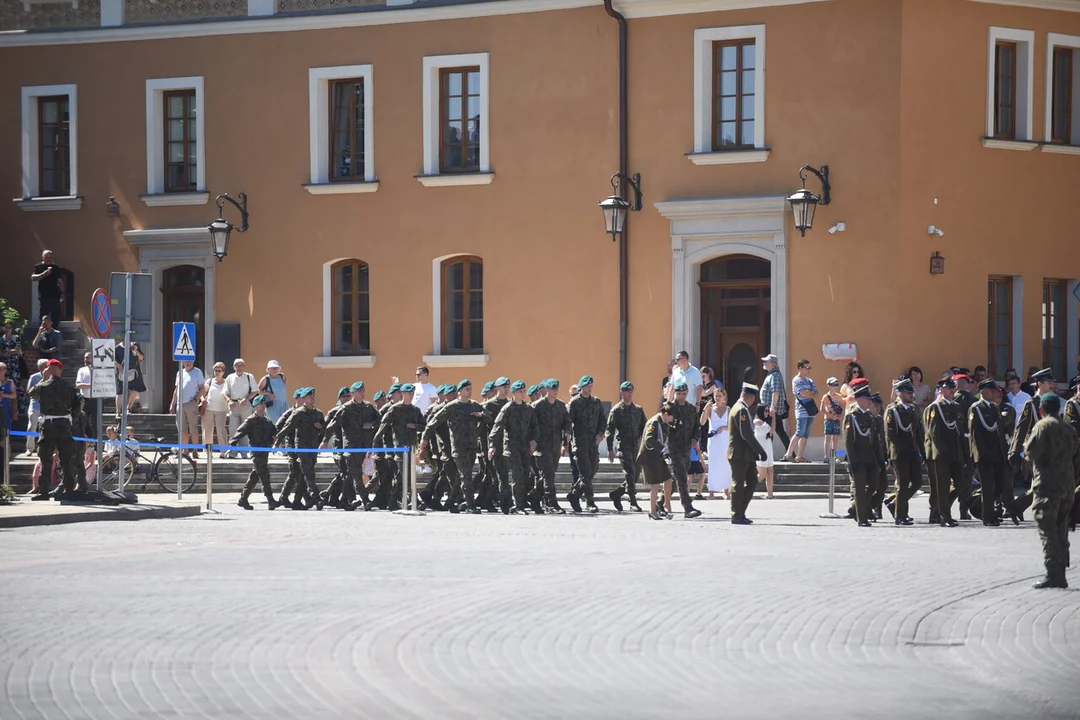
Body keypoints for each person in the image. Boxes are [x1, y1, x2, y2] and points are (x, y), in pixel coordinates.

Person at [1023, 392, 1078, 589]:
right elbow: (1075, 453)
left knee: (1047, 528)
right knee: (1061, 528)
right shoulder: (1068, 427)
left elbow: (1030, 453)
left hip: (1047, 485)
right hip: (1067, 485)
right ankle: (1061, 571)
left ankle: (1053, 573)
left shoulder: (1043, 426)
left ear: (1042, 409)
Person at [420, 379, 486, 514]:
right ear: (460, 392)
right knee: (465, 475)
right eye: (467, 389)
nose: (470, 391)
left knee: (458, 477)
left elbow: (490, 417)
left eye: (471, 388)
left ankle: (451, 502)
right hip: (458, 448)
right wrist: (424, 440)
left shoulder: (475, 405)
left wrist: (481, 415)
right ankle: (470, 504)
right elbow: (433, 422)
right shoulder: (452, 407)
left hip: (472, 446)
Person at [27, 358, 78, 500]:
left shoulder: (42, 386)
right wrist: (71, 418)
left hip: (48, 424)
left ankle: (43, 492)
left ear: (47, 370)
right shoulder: (68, 387)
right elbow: (77, 405)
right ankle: (69, 491)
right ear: (61, 370)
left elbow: (31, 393)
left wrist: (43, 378)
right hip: (64, 424)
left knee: (46, 459)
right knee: (66, 459)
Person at [488, 380, 537, 514]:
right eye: (520, 391)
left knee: (526, 475)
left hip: (525, 448)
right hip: (511, 447)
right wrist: (492, 445)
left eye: (524, 391)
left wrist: (534, 440)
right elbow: (497, 427)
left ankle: (511, 501)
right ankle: (518, 506)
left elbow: (534, 427)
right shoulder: (507, 408)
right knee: (517, 476)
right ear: (514, 393)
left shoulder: (529, 409)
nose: (523, 393)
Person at [275, 387, 325, 510]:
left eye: (313, 396)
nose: (312, 399)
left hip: (313, 448)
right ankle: (316, 497)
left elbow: (325, 430)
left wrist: (320, 429)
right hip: (301, 448)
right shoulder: (298, 413)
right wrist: (278, 441)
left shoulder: (318, 413)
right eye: (309, 396)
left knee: (303, 475)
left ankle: (297, 500)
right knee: (308, 474)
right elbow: (287, 426)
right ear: (303, 399)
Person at [969, 377, 1010, 526]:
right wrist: (979, 454)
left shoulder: (994, 408)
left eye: (995, 390)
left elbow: (998, 432)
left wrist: (1004, 453)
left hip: (997, 453)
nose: (994, 393)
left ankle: (981, 507)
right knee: (987, 486)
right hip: (984, 455)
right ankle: (988, 517)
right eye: (991, 390)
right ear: (982, 391)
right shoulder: (976, 408)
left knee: (999, 484)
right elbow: (975, 434)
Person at [884, 378, 924, 525]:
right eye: (907, 393)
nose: (911, 395)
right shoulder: (893, 410)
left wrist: (922, 450)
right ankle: (900, 515)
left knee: (917, 483)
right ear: (899, 394)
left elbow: (919, 431)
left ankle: (894, 502)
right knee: (903, 483)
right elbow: (890, 434)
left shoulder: (914, 409)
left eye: (911, 392)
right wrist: (891, 454)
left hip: (913, 451)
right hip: (899, 452)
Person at [230, 395, 281, 510]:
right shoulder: (251, 420)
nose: (263, 406)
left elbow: (275, 432)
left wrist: (276, 439)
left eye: (264, 404)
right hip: (256, 452)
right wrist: (232, 444)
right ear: (256, 406)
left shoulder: (267, 421)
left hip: (265, 451)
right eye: (261, 404)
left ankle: (243, 499)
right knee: (264, 475)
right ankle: (270, 500)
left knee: (255, 476)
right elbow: (240, 432)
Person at [727, 382, 767, 524]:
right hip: (739, 454)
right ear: (750, 397)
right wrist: (760, 450)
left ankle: (740, 511)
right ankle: (736, 514)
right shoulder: (741, 410)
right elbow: (746, 434)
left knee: (751, 481)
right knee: (738, 483)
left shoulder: (741, 408)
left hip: (745, 454)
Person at [529, 379, 570, 514]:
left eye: (556, 388)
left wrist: (567, 436)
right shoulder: (537, 405)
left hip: (555, 445)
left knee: (549, 473)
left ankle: (534, 497)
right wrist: (533, 441)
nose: (555, 391)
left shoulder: (561, 405)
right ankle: (552, 503)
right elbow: (532, 425)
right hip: (542, 445)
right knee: (549, 474)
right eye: (552, 388)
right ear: (546, 389)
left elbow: (567, 422)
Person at [926, 377, 963, 527]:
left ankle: (938, 509)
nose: (952, 390)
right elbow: (934, 433)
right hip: (942, 453)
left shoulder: (956, 406)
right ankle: (944, 517)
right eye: (948, 388)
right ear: (941, 389)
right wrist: (942, 450)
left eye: (953, 387)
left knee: (961, 485)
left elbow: (959, 431)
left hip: (956, 451)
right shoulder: (935, 407)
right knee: (942, 485)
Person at [567, 375, 606, 513]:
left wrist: (600, 434)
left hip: (593, 443)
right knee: (585, 472)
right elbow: (568, 422)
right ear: (581, 387)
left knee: (593, 469)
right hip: (580, 443)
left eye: (591, 386)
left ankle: (574, 494)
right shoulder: (575, 402)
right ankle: (590, 502)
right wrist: (567, 439)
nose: (589, 389)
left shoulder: (596, 402)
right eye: (587, 387)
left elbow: (603, 420)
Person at [606, 381, 646, 512]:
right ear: (621, 392)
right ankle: (632, 501)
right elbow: (610, 430)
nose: (629, 394)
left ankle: (617, 494)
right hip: (623, 446)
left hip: (636, 446)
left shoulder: (638, 410)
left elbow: (645, 428)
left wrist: (644, 442)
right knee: (630, 473)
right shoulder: (616, 410)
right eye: (626, 391)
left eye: (631, 391)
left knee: (635, 475)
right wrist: (610, 449)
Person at [844, 384, 881, 527]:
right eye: (867, 399)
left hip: (870, 458)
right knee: (859, 489)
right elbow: (848, 441)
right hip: (858, 459)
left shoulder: (869, 417)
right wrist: (853, 461)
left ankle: (857, 508)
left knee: (874, 485)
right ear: (859, 399)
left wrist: (879, 459)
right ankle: (862, 518)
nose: (870, 402)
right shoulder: (851, 417)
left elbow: (874, 440)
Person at [666, 381, 703, 518]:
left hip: (686, 448)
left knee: (679, 477)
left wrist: (695, 438)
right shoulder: (669, 408)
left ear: (687, 393)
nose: (681, 396)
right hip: (673, 447)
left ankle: (660, 501)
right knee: (681, 477)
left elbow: (697, 427)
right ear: (675, 393)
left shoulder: (691, 409)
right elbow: (663, 428)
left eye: (683, 393)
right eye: (679, 393)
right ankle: (687, 507)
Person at [638, 403, 676, 520]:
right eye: (671, 417)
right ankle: (652, 511)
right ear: (665, 414)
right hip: (649, 457)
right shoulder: (654, 422)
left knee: (668, 479)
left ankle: (666, 503)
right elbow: (649, 439)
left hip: (657, 457)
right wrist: (663, 449)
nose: (671, 420)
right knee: (655, 485)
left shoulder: (662, 423)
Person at [169, 360, 205, 459]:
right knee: (182, 429)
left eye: (190, 361)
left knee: (193, 428)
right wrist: (173, 403)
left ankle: (195, 451)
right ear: (183, 362)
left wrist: (195, 400)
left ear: (193, 362)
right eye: (186, 361)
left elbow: (202, 388)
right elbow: (176, 389)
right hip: (180, 404)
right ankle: (185, 451)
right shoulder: (180, 372)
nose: (188, 363)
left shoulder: (197, 372)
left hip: (191, 403)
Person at [224, 359, 258, 460]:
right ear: (234, 367)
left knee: (245, 428)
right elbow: (224, 392)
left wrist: (247, 399)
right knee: (233, 429)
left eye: (241, 366)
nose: (239, 368)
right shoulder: (230, 377)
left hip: (245, 405)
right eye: (237, 366)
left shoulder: (249, 376)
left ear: (244, 366)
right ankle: (232, 452)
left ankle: (244, 452)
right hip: (233, 405)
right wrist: (229, 401)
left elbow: (255, 390)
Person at [784, 359, 817, 462]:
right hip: (801, 410)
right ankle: (788, 454)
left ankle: (799, 456)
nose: (809, 370)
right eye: (807, 368)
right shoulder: (796, 380)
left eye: (809, 368)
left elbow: (816, 393)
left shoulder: (810, 381)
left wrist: (808, 392)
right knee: (799, 432)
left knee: (805, 435)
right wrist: (809, 392)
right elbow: (802, 393)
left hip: (810, 410)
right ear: (800, 368)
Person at [701, 388, 731, 499]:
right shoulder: (710, 409)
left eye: (719, 396)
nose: (717, 398)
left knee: (725, 464)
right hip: (713, 440)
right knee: (713, 464)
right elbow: (702, 422)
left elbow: (733, 426)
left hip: (725, 439)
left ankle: (726, 491)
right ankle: (711, 491)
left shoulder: (728, 409)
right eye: (716, 396)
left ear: (724, 397)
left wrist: (723, 427)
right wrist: (705, 409)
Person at [759, 354, 790, 454]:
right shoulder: (771, 375)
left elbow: (775, 392)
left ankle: (766, 453)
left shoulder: (775, 375)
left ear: (773, 364)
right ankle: (790, 453)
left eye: (766, 361)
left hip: (771, 410)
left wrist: (772, 407)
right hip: (770, 409)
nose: (764, 363)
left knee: (769, 431)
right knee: (778, 431)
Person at [203, 362, 230, 458]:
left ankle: (224, 451)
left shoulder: (227, 382)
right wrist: (203, 400)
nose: (217, 372)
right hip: (209, 409)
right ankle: (208, 451)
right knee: (208, 430)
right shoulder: (209, 381)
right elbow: (203, 393)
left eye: (219, 370)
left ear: (223, 372)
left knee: (221, 430)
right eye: (215, 370)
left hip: (221, 410)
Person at [0, 321, 26, 419]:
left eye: (9, 327)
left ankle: (21, 407)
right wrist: (11, 352)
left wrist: (7, 352)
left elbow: (18, 350)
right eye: (6, 327)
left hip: (14, 365)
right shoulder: (1, 340)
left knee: (17, 385)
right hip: (4, 366)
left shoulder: (16, 338)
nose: (7, 329)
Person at [31, 250, 64, 324]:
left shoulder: (55, 267)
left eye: (50, 257)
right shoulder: (38, 267)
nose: (48, 259)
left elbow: (59, 281)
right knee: (44, 314)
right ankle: (44, 330)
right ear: (42, 257)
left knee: (55, 314)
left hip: (55, 295)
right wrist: (44, 274)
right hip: (44, 295)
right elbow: (33, 278)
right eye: (46, 257)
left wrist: (62, 292)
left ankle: (54, 329)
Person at [23, 358, 48, 455]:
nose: (47, 367)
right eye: (46, 366)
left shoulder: (52, 377)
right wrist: (42, 380)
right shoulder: (34, 377)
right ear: (40, 367)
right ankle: (29, 448)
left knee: (45, 429)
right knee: (32, 427)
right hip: (35, 406)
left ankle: (42, 449)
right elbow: (29, 392)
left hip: (46, 407)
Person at [114, 341, 146, 415]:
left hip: (134, 372)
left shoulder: (135, 346)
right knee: (120, 392)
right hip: (121, 372)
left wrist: (136, 351)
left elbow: (141, 357)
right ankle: (118, 411)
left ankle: (128, 408)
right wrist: (118, 365)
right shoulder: (117, 348)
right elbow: (112, 359)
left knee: (135, 390)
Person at [753, 404, 775, 498]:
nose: (767, 412)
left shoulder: (765, 422)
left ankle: (770, 494)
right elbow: (772, 430)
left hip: (768, 450)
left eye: (767, 410)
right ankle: (745, 489)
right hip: (760, 451)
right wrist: (773, 417)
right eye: (765, 411)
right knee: (762, 474)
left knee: (770, 471)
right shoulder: (758, 422)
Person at [822, 378, 843, 462]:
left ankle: (835, 456)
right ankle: (826, 456)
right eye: (833, 384)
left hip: (836, 420)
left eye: (836, 384)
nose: (835, 387)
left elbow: (842, 408)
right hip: (828, 419)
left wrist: (840, 416)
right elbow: (822, 409)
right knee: (827, 438)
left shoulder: (839, 396)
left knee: (835, 439)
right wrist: (830, 415)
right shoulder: (825, 397)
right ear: (828, 385)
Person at [0, 362, 16, 436]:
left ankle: (7, 446)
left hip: (6, 408)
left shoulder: (10, 382)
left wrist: (4, 395)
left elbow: (14, 395)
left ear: (5, 370)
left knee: (6, 430)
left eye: (1, 369)